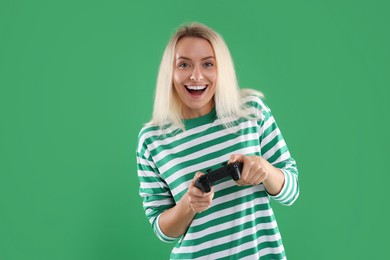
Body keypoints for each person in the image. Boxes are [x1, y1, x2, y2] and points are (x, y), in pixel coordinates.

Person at [136, 22, 299, 259]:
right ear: (169, 73)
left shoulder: (252, 112)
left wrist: (264, 169)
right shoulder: (152, 141)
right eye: (183, 64)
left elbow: (291, 191)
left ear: (221, 69)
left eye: (208, 64)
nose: (196, 75)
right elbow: (162, 229)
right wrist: (189, 204)